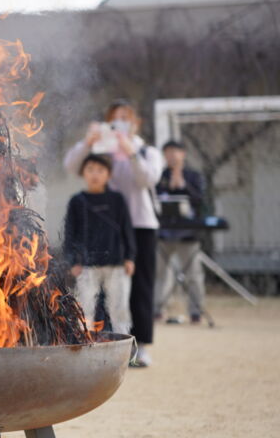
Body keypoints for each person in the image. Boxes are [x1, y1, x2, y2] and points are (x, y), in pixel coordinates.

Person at [64, 100, 163, 368]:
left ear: (135, 123)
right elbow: (73, 166)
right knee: (101, 293)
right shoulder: (101, 151)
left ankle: (139, 346)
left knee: (140, 288)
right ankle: (102, 343)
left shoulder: (147, 151)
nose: (119, 124)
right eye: (114, 120)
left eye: (125, 119)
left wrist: (130, 151)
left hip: (140, 225)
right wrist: (88, 142)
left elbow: (148, 179)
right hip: (104, 229)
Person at [63, 154, 136, 336]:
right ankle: (83, 343)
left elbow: (127, 229)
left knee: (119, 308)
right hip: (87, 265)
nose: (95, 174)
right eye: (90, 170)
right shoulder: (77, 201)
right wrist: (73, 262)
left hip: (116, 263)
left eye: (100, 170)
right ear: (83, 173)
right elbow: (70, 234)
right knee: (84, 307)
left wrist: (130, 257)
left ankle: (124, 346)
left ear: (109, 175)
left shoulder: (117, 200)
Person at [155, 140, 207, 324]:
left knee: (193, 274)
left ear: (183, 153)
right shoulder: (159, 176)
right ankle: (158, 310)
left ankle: (196, 311)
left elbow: (200, 198)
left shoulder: (194, 176)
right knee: (161, 273)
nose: (171, 156)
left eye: (174, 152)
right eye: (167, 152)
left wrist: (182, 182)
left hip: (188, 233)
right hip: (164, 233)